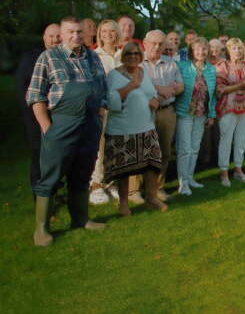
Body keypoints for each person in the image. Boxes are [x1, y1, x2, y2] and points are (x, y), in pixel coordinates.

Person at [26, 17, 107, 246]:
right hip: (62, 125)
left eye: (79, 32)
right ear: (62, 34)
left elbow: (103, 89)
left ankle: (80, 220)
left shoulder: (93, 57)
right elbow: (35, 96)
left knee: (82, 174)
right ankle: (41, 229)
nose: (76, 36)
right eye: (70, 32)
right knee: (50, 177)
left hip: (90, 124)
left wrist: (99, 117)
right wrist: (47, 128)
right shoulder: (48, 57)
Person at [104, 42, 166, 215]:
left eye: (136, 53)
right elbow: (111, 101)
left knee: (152, 164)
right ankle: (123, 204)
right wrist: (131, 86)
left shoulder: (143, 71)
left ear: (141, 56)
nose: (133, 56)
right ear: (123, 56)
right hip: (123, 129)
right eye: (129, 53)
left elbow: (151, 92)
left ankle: (151, 198)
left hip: (146, 126)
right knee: (124, 169)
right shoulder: (114, 75)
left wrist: (156, 100)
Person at [16, 23, 60, 194]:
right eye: (51, 36)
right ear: (44, 38)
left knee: (57, 154)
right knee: (39, 153)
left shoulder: (65, 57)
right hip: (36, 115)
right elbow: (23, 89)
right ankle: (39, 194)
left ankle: (54, 190)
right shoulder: (33, 57)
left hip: (58, 114)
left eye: (58, 36)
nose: (55, 39)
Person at [142, 30, 184, 200]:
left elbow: (180, 86)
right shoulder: (138, 62)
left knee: (164, 152)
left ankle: (158, 188)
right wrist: (161, 89)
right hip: (144, 112)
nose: (157, 47)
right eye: (154, 43)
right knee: (142, 151)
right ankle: (135, 191)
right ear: (145, 43)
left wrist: (168, 91)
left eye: (160, 44)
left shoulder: (171, 63)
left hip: (166, 111)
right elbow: (138, 85)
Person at [175, 37, 217, 195]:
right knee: (184, 149)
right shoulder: (182, 66)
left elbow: (213, 95)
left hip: (201, 113)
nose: (201, 52)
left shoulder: (211, 69)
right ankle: (182, 183)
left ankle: (190, 177)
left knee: (194, 147)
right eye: (197, 49)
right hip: (185, 112)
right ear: (192, 51)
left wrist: (211, 114)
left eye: (204, 48)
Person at [88, 19, 123, 205]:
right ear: (99, 35)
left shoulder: (123, 54)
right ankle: (96, 185)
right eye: (104, 31)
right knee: (100, 147)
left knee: (116, 147)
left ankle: (111, 182)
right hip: (103, 108)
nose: (108, 35)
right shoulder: (94, 55)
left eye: (112, 31)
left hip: (122, 109)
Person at [216, 38, 245, 185]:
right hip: (228, 108)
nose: (237, 51)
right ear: (228, 50)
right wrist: (240, 86)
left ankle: (238, 170)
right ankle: (224, 172)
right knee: (226, 140)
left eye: (239, 48)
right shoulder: (223, 66)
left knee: (241, 139)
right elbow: (220, 90)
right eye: (234, 48)